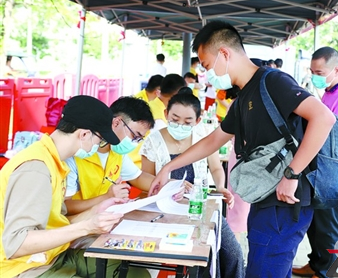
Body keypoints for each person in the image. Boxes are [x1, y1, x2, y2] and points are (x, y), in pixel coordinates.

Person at [148, 20, 336, 277]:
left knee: (265, 269)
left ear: (224, 53)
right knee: (264, 266)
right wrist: (170, 166)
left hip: (284, 199)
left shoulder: (273, 82)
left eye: (206, 65)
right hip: (264, 196)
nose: (206, 74)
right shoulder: (244, 95)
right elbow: (214, 140)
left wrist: (292, 174)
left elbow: (324, 118)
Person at [0, 95, 149, 278]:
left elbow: (57, 222)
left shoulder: (55, 162)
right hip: (23, 267)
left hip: (53, 254)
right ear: (85, 134)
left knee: (136, 274)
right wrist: (87, 226)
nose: (99, 146)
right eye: (100, 140)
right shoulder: (36, 168)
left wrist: (96, 210)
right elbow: (17, 244)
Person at [140, 90, 244, 278]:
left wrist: (220, 186)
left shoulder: (204, 137)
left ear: (197, 120)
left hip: (201, 207)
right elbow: (146, 181)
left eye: (187, 122)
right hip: (166, 212)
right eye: (175, 119)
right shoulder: (153, 141)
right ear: (166, 115)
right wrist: (168, 188)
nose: (180, 125)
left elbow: (216, 168)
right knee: (192, 258)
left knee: (232, 253)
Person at [293, 47, 338, 278]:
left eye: (319, 72)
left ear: (336, 70)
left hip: (332, 169)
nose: (315, 76)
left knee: (328, 226)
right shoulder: (331, 91)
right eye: (312, 71)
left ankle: (327, 272)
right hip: (320, 166)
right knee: (316, 223)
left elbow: (336, 135)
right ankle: (316, 263)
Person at [64, 96, 155, 216]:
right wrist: (107, 197)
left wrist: (170, 185)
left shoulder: (116, 152)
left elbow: (137, 177)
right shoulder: (79, 152)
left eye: (139, 139)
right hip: (78, 224)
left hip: (102, 220)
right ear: (116, 122)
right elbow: (65, 207)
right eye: (135, 136)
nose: (135, 143)